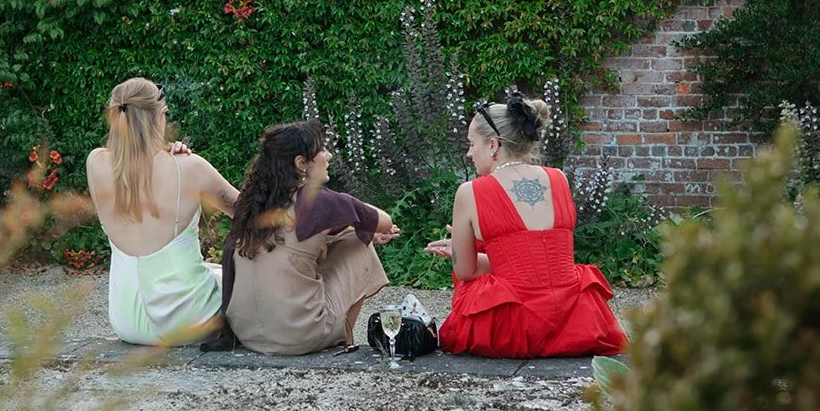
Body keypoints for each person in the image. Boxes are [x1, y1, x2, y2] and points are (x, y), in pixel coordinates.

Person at [424, 92, 626, 359]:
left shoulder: (470, 191)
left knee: (472, 288)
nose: (469, 153)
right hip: (577, 319)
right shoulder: (559, 179)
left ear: (493, 145)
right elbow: (542, 263)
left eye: (472, 144)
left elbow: (466, 271)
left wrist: (464, 250)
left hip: (515, 323)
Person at [223, 119, 397, 355]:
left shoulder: (252, 202)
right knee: (360, 244)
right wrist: (352, 209)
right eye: (322, 150)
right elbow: (384, 220)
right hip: (297, 336)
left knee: (347, 237)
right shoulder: (318, 200)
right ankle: (344, 338)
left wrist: (357, 227)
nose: (330, 156)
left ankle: (339, 336)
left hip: (246, 332)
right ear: (301, 163)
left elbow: (296, 240)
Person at [87, 77, 239, 345]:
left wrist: (162, 150)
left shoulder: (95, 163)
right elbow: (247, 213)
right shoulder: (190, 167)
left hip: (126, 322)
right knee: (229, 280)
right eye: (165, 114)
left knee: (213, 271)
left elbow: (134, 165)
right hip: (189, 321)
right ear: (157, 118)